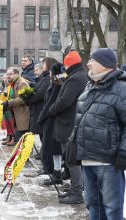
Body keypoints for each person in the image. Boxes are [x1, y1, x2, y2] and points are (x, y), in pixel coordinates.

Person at [76, 48, 126, 219]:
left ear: (105, 65)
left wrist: (123, 153)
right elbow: (80, 120)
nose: (88, 63)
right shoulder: (89, 85)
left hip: (109, 162)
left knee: (112, 209)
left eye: (92, 60)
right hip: (87, 159)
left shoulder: (122, 89)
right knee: (93, 206)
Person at [48, 50, 88, 204]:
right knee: (71, 159)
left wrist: (52, 110)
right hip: (69, 123)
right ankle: (75, 188)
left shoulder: (76, 78)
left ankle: (77, 193)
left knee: (72, 160)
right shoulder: (77, 76)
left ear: (69, 65)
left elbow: (65, 101)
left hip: (68, 124)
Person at [37, 63, 65, 181]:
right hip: (51, 118)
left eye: (50, 72)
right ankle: (56, 171)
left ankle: (57, 173)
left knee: (54, 148)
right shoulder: (56, 82)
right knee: (53, 148)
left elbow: (50, 103)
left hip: (52, 119)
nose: (49, 74)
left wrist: (41, 117)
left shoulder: (57, 84)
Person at [2, 68, 30, 143]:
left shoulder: (22, 83)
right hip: (16, 114)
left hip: (22, 115)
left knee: (23, 140)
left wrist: (8, 103)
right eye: (7, 74)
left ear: (17, 74)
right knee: (20, 140)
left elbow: (23, 99)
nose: (8, 76)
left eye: (10, 74)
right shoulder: (14, 83)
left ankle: (26, 154)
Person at [1, 74, 16, 146]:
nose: (5, 80)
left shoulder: (11, 87)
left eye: (6, 78)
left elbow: (12, 96)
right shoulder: (5, 87)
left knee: (12, 123)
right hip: (6, 108)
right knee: (7, 123)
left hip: (11, 107)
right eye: (4, 78)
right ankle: (9, 137)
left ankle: (13, 138)